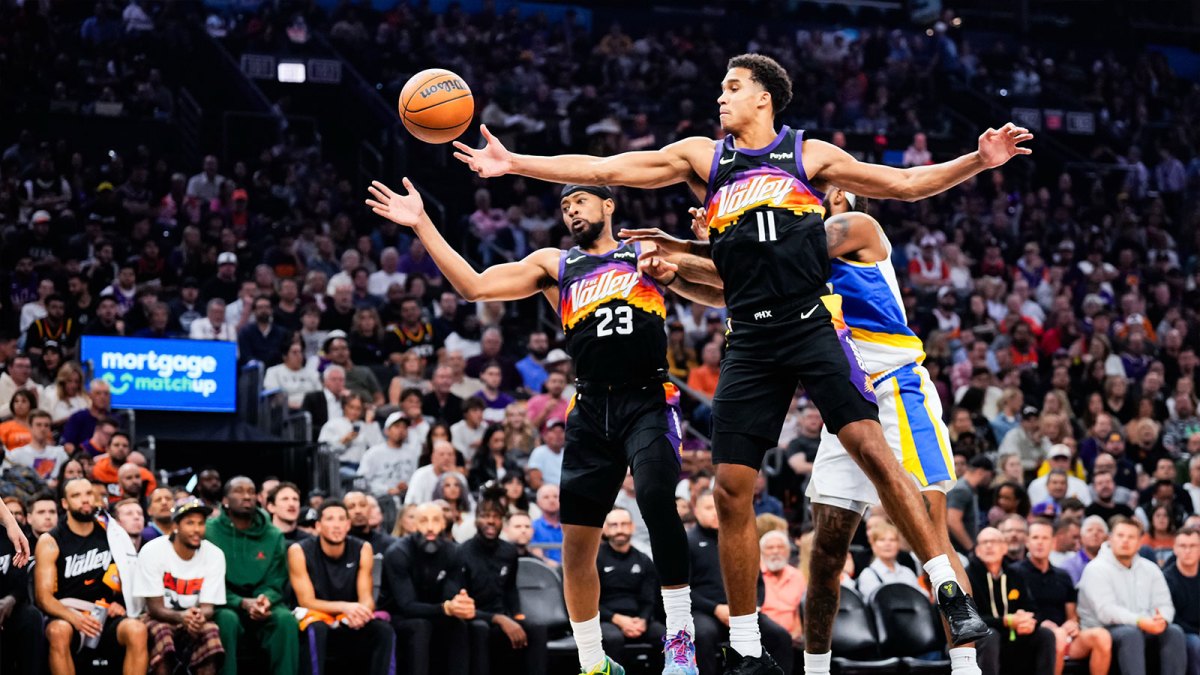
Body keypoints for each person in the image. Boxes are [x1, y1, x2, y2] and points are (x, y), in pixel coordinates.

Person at [453, 50, 1028, 674]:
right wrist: (515, 162)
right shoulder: (704, 159)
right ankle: (749, 647)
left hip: (811, 323)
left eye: (732, 87)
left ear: (763, 98)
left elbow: (908, 183)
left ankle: (947, 589)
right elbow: (604, 168)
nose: (720, 97)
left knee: (871, 448)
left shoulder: (811, 157)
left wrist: (979, 160)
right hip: (750, 338)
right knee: (730, 489)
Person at [644, 187, 992, 673]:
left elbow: (759, 255)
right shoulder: (793, 253)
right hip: (842, 399)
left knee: (931, 530)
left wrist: (704, 244)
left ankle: (966, 667)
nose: (820, 193)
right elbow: (733, 288)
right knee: (827, 549)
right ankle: (816, 668)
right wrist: (673, 273)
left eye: (830, 190)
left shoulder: (857, 229)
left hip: (895, 390)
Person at [367, 175, 700, 674]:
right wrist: (421, 224)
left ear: (608, 205)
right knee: (576, 545)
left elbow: (721, 285)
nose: (572, 211)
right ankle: (594, 661)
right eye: (566, 206)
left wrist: (696, 250)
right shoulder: (554, 264)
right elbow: (474, 286)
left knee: (655, 497)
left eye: (581, 201)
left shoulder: (643, 251)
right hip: (590, 408)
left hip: (648, 397)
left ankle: (680, 639)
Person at [34, 478, 149, 675]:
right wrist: (75, 618)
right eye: (76, 495)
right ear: (65, 503)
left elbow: (128, 576)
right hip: (68, 614)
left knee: (137, 630)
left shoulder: (112, 534)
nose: (85, 499)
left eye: (88, 494)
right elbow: (43, 598)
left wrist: (119, 602)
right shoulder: (51, 540)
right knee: (57, 631)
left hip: (106, 615)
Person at [688, 491, 793, 674]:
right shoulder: (687, 541)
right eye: (709, 508)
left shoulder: (738, 539)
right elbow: (683, 589)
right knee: (703, 634)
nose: (715, 513)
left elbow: (757, 582)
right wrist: (715, 609)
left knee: (780, 636)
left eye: (718, 508)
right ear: (696, 511)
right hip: (705, 610)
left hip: (743, 610)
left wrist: (754, 607)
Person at [288, 500, 394, 675]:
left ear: (348, 525)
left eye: (341, 519)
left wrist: (361, 613)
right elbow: (306, 601)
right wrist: (346, 607)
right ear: (318, 526)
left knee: (383, 630)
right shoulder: (299, 550)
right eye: (330, 519)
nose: (336, 525)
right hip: (316, 615)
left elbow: (367, 598)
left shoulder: (363, 548)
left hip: (349, 616)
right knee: (316, 629)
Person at [205, 476, 299, 675]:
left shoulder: (273, 534)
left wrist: (265, 600)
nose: (247, 496)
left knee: (285, 620)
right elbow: (208, 581)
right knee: (227, 620)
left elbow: (276, 579)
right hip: (224, 602)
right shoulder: (209, 532)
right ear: (225, 500)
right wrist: (240, 602)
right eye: (239, 491)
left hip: (261, 602)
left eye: (251, 492)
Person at [448, 498, 548, 675]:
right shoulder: (460, 552)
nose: (491, 521)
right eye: (485, 516)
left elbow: (510, 588)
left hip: (502, 616)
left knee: (536, 628)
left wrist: (517, 615)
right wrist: (499, 619)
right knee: (480, 628)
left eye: (496, 516)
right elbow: (458, 603)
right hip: (473, 617)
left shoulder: (509, 551)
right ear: (476, 519)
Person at [1077, 516, 1185, 675]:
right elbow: (1106, 612)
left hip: (1144, 625)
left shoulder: (1150, 569)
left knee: (1174, 632)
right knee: (1130, 634)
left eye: (1131, 537)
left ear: (1140, 542)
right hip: (1104, 629)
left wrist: (1161, 620)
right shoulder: (1096, 569)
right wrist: (1140, 621)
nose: (1125, 541)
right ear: (1110, 538)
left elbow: (1165, 604)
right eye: (1120, 536)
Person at [135, 498, 226, 675]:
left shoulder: (215, 554)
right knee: (162, 635)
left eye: (201, 523)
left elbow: (208, 607)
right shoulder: (153, 551)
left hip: (193, 618)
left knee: (211, 631)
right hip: (157, 616)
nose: (197, 529)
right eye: (190, 523)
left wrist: (198, 617)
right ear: (175, 526)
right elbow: (154, 608)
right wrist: (181, 617)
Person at [382, 502, 471, 675]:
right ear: (414, 524)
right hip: (399, 615)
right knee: (420, 625)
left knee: (459, 625)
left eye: (436, 520)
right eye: (423, 521)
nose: (430, 527)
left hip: (437, 612)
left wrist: (460, 604)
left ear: (444, 524)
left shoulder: (454, 552)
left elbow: (450, 596)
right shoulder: (398, 552)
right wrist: (445, 608)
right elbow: (406, 605)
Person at [1015, 519, 1113, 675]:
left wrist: (1072, 624)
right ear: (1027, 542)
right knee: (1055, 637)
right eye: (1035, 538)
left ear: (1053, 542)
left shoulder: (1063, 575)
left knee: (1101, 636)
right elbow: (1015, 610)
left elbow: (1072, 615)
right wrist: (1041, 624)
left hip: (1063, 634)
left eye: (1045, 538)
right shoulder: (1015, 573)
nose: (1040, 542)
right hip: (1032, 634)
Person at [966, 527, 1056, 675]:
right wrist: (1005, 621)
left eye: (994, 541)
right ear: (977, 550)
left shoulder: (1015, 574)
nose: (989, 545)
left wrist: (1029, 620)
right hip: (980, 638)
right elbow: (969, 620)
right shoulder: (967, 577)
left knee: (1045, 635)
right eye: (984, 542)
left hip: (1012, 636)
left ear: (1004, 548)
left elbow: (1033, 609)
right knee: (991, 635)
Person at [595, 507, 666, 662]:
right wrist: (617, 619)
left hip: (637, 619)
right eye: (614, 525)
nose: (620, 529)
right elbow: (588, 602)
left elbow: (649, 599)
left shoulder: (644, 560)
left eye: (624, 524)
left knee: (666, 637)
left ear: (632, 527)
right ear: (605, 529)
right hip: (605, 619)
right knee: (613, 638)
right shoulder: (594, 559)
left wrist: (643, 620)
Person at [856, 521, 925, 600]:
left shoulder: (908, 573)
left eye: (892, 540)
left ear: (898, 544)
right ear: (873, 545)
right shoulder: (868, 575)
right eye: (882, 540)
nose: (887, 544)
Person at [759, 530, 805, 648]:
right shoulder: (754, 577)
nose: (775, 551)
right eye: (770, 548)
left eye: (780, 547)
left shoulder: (798, 576)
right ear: (761, 552)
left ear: (788, 551)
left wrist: (798, 632)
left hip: (794, 641)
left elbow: (800, 610)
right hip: (762, 637)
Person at [357, 411, 418, 501]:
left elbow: (414, 478)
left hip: (405, 498)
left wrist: (407, 485)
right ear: (386, 431)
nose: (401, 430)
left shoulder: (412, 453)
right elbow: (361, 481)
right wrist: (386, 490)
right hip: (380, 498)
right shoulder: (374, 453)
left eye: (404, 427)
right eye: (397, 426)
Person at [1164, 528, 1200, 675]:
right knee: (1195, 643)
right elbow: (1171, 617)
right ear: (1174, 549)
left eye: (1193, 546)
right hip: (1181, 633)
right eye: (1183, 546)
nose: (1188, 551)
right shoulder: (1166, 578)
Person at [6, 409, 69, 485]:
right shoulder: (16, 455)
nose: (43, 429)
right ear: (29, 427)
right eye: (38, 425)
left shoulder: (60, 453)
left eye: (46, 425)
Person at [92, 431, 157, 505]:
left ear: (130, 451)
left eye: (125, 446)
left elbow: (151, 503)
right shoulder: (97, 471)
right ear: (108, 449)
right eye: (116, 445)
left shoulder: (145, 476)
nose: (121, 448)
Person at [405, 439, 460, 505]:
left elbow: (468, 504)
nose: (446, 458)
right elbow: (411, 505)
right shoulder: (420, 475)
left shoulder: (459, 477)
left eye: (450, 454)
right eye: (442, 454)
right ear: (433, 457)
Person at [530, 484, 564, 564]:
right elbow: (536, 555)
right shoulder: (532, 527)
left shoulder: (570, 527)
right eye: (546, 497)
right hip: (543, 569)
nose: (552, 500)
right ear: (538, 503)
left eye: (556, 496)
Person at [527, 418, 566, 486]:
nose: (558, 435)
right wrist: (554, 489)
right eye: (554, 431)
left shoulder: (568, 453)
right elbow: (535, 482)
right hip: (548, 490)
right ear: (545, 436)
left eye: (561, 431)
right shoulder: (539, 452)